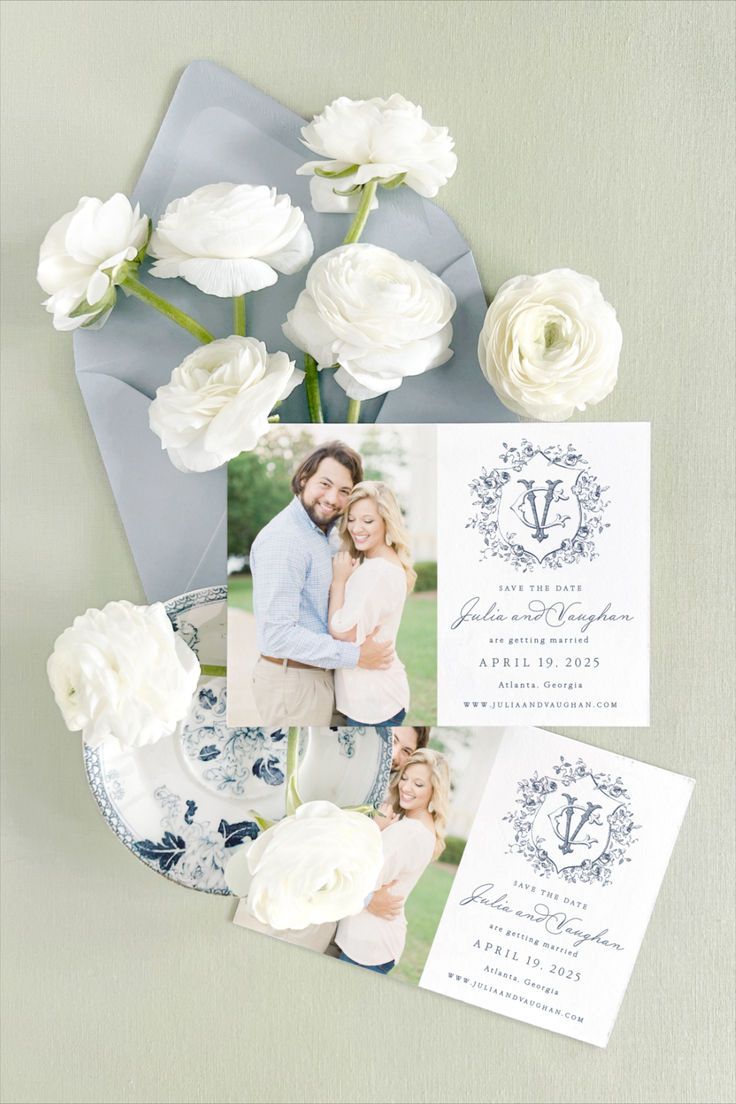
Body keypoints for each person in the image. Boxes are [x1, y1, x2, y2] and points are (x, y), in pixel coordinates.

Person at [250, 443, 393, 726]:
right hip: (294, 683)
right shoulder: (285, 541)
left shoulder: (321, 534)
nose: (332, 498)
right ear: (304, 479)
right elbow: (277, 634)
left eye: (344, 491)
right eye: (324, 484)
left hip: (322, 676)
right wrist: (356, 656)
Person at [334, 748, 450, 974]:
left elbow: (360, 877)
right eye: (405, 778)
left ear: (434, 790)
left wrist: (374, 829)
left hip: (367, 946)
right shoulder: (417, 826)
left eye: (418, 784)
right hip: (371, 941)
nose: (406, 787)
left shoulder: (409, 832)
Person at [328, 481, 414, 726]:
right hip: (372, 697)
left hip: (373, 703)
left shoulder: (377, 571)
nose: (357, 528)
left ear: (387, 522)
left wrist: (339, 582)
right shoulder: (379, 562)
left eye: (368, 521)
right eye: (352, 519)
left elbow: (343, 632)